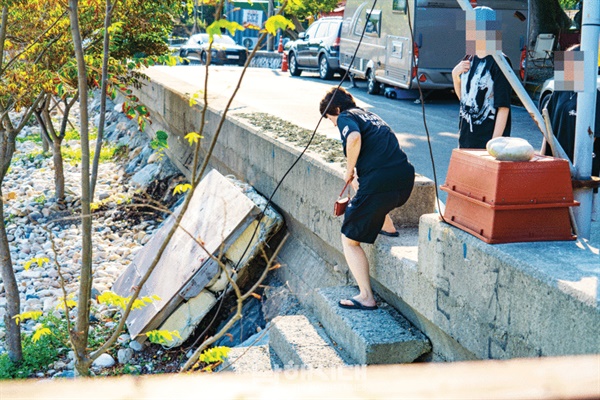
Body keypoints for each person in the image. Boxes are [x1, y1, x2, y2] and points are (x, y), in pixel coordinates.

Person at [320, 87, 415, 310]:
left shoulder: (345, 116)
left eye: (330, 119)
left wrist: (348, 169)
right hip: (403, 180)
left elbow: (353, 138)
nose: (334, 125)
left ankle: (365, 296)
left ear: (335, 109)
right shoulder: (370, 115)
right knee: (366, 191)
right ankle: (388, 226)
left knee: (349, 238)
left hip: (380, 185)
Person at [452, 6, 512, 149]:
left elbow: (503, 107)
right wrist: (455, 75)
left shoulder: (500, 62)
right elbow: (465, 100)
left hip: (487, 143)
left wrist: (493, 145)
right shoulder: (470, 57)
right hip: (466, 140)